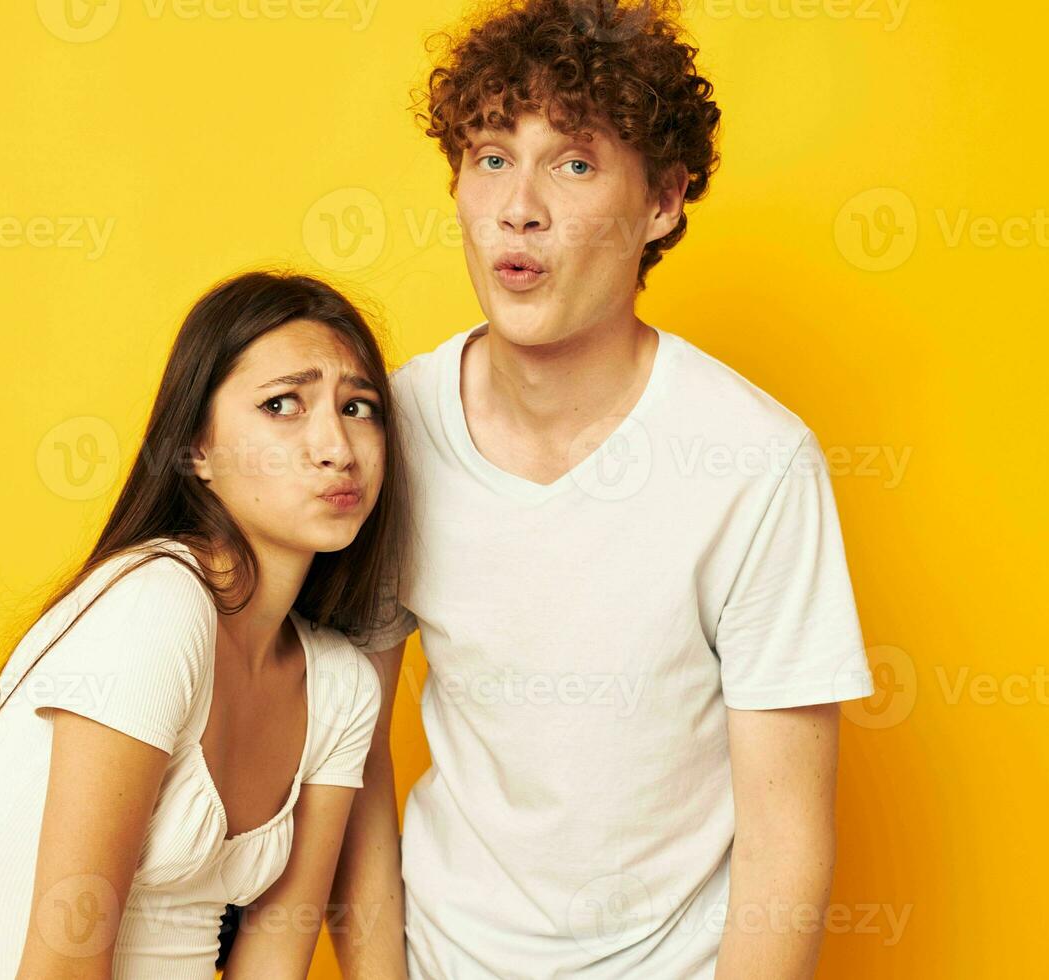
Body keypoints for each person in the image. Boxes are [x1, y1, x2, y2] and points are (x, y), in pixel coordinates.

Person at [327, 1, 877, 977]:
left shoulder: (754, 461)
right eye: (492, 155)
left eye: (573, 163)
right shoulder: (389, 432)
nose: (519, 206)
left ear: (663, 201)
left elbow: (786, 835)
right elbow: (347, 756)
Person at [0, 269, 414, 978]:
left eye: (360, 408)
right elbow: (61, 966)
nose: (336, 446)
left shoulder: (340, 687)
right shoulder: (154, 605)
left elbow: (272, 964)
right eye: (283, 404)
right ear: (197, 450)